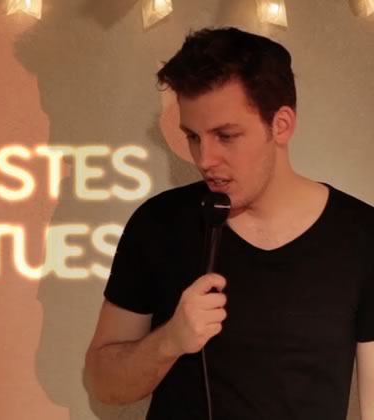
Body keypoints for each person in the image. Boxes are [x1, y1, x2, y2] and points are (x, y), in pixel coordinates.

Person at [84, 27, 374, 420]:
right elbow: (104, 384)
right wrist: (170, 340)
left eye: (226, 136)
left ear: (281, 125)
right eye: (193, 137)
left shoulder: (361, 236)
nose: (205, 159)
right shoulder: (159, 223)